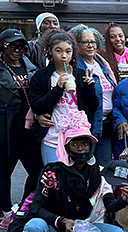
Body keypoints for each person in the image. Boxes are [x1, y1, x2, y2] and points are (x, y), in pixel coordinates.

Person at [6, 109, 128, 232]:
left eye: (85, 143)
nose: (81, 148)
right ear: (66, 147)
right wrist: (62, 221)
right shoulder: (52, 172)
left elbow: (110, 205)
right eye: (75, 144)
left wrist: (123, 200)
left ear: (91, 146)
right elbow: (36, 207)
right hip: (54, 228)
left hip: (83, 228)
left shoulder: (98, 173)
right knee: (33, 227)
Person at [0, 29, 44, 229]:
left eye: (21, 47)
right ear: (2, 46)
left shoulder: (32, 68)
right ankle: (7, 213)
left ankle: (23, 208)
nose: (17, 50)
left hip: (27, 126)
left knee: (37, 170)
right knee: (1, 170)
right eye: (12, 46)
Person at [29, 30, 99, 165]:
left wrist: (89, 88)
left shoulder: (80, 74)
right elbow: (37, 106)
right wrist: (58, 89)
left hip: (78, 138)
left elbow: (93, 106)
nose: (64, 56)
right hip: (52, 137)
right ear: (50, 51)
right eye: (58, 51)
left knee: (77, 176)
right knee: (55, 175)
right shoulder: (41, 76)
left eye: (68, 51)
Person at [70, 24, 118, 167]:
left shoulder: (101, 63)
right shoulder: (75, 66)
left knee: (104, 167)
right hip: (89, 124)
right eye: (85, 42)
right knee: (85, 166)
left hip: (106, 125)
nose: (90, 45)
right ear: (76, 44)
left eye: (93, 42)